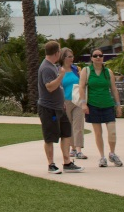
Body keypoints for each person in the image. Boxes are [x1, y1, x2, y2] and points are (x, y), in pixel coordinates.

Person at [38, 39, 82, 175]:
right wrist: (61, 76)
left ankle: (67, 162)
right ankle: (51, 164)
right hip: (48, 107)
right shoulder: (46, 67)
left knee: (66, 133)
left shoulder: (53, 66)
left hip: (59, 107)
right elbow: (50, 87)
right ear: (57, 53)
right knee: (50, 137)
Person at [79, 48, 123, 167]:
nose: (98, 57)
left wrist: (118, 105)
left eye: (100, 55)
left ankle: (112, 153)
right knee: (98, 133)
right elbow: (81, 87)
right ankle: (102, 156)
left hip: (108, 104)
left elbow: (114, 89)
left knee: (112, 131)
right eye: (95, 55)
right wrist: (83, 103)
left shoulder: (108, 72)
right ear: (91, 58)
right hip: (93, 105)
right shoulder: (86, 70)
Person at [59, 49, 87, 160]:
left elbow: (82, 83)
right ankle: (73, 148)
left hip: (78, 100)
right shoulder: (59, 71)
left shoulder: (76, 69)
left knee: (78, 125)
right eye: (69, 56)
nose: (72, 58)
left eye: (72, 56)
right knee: (68, 126)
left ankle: (79, 149)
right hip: (65, 101)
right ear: (63, 58)